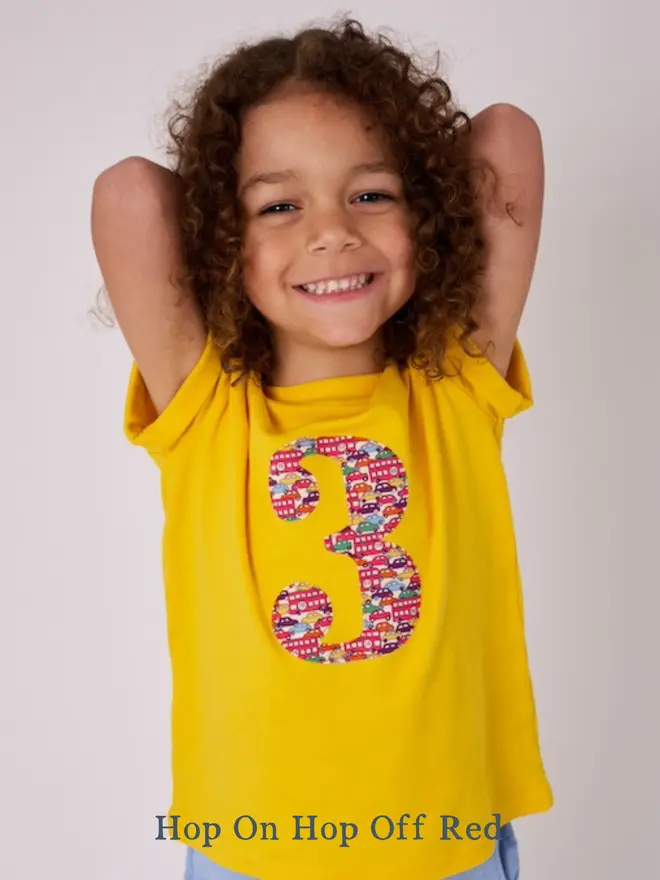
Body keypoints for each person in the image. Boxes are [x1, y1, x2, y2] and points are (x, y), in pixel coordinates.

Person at [90, 15, 552, 880]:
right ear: (222, 239)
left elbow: (506, 140)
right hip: (253, 853)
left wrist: (384, 183)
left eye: (371, 194)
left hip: (443, 847)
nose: (331, 231)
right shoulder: (206, 408)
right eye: (278, 206)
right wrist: (216, 206)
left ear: (429, 211)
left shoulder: (454, 381)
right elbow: (129, 195)